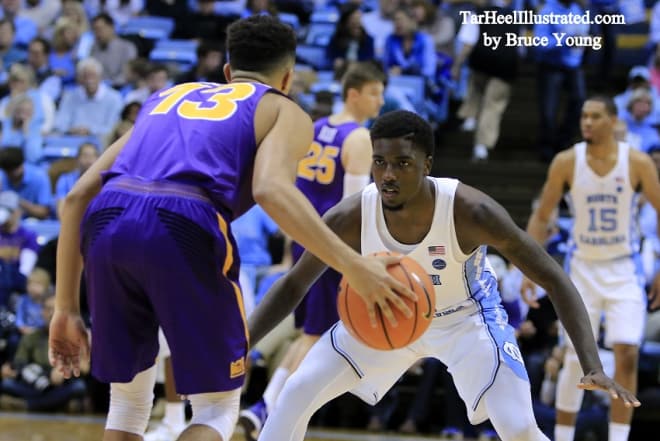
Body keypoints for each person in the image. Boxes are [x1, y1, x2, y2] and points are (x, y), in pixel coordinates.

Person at [47, 15, 414, 441]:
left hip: (106, 222)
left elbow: (75, 198)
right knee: (217, 406)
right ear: (288, 77)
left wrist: (65, 309)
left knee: (128, 402)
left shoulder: (168, 95)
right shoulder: (282, 107)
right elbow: (271, 190)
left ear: (227, 71)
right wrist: (353, 265)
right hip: (183, 222)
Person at [247, 110, 640, 441]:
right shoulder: (352, 215)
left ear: (427, 165)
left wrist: (591, 364)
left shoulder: (471, 211)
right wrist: (241, 341)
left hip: (466, 321)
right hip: (386, 315)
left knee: (519, 427)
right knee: (296, 391)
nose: (387, 174)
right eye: (380, 162)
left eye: (402, 163)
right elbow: (295, 283)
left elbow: (556, 278)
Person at [237, 61, 386, 441]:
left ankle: (267, 408)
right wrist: (360, 260)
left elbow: (296, 193)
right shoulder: (359, 138)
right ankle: (266, 410)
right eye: (374, 92)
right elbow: (354, 208)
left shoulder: (317, 129)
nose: (379, 100)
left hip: (306, 236)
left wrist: (291, 246)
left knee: (311, 334)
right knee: (316, 337)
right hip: (333, 245)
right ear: (353, 93)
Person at [523, 95, 660, 441]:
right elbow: (542, 217)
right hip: (582, 268)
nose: (586, 122)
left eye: (595, 116)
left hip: (624, 269)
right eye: (584, 116)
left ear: (613, 121)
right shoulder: (567, 161)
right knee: (575, 356)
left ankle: (618, 437)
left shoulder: (638, 162)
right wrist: (525, 268)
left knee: (627, 351)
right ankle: (564, 436)